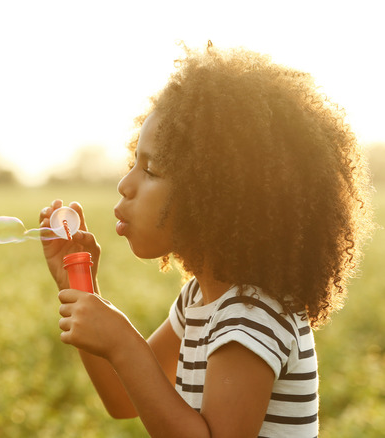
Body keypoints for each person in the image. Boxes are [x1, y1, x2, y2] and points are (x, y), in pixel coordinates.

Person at [38, 42, 374, 437]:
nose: (124, 185)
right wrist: (82, 288)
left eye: (152, 170)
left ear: (216, 195)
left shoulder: (252, 315)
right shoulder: (200, 300)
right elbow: (123, 399)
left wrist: (124, 342)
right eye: (134, 164)